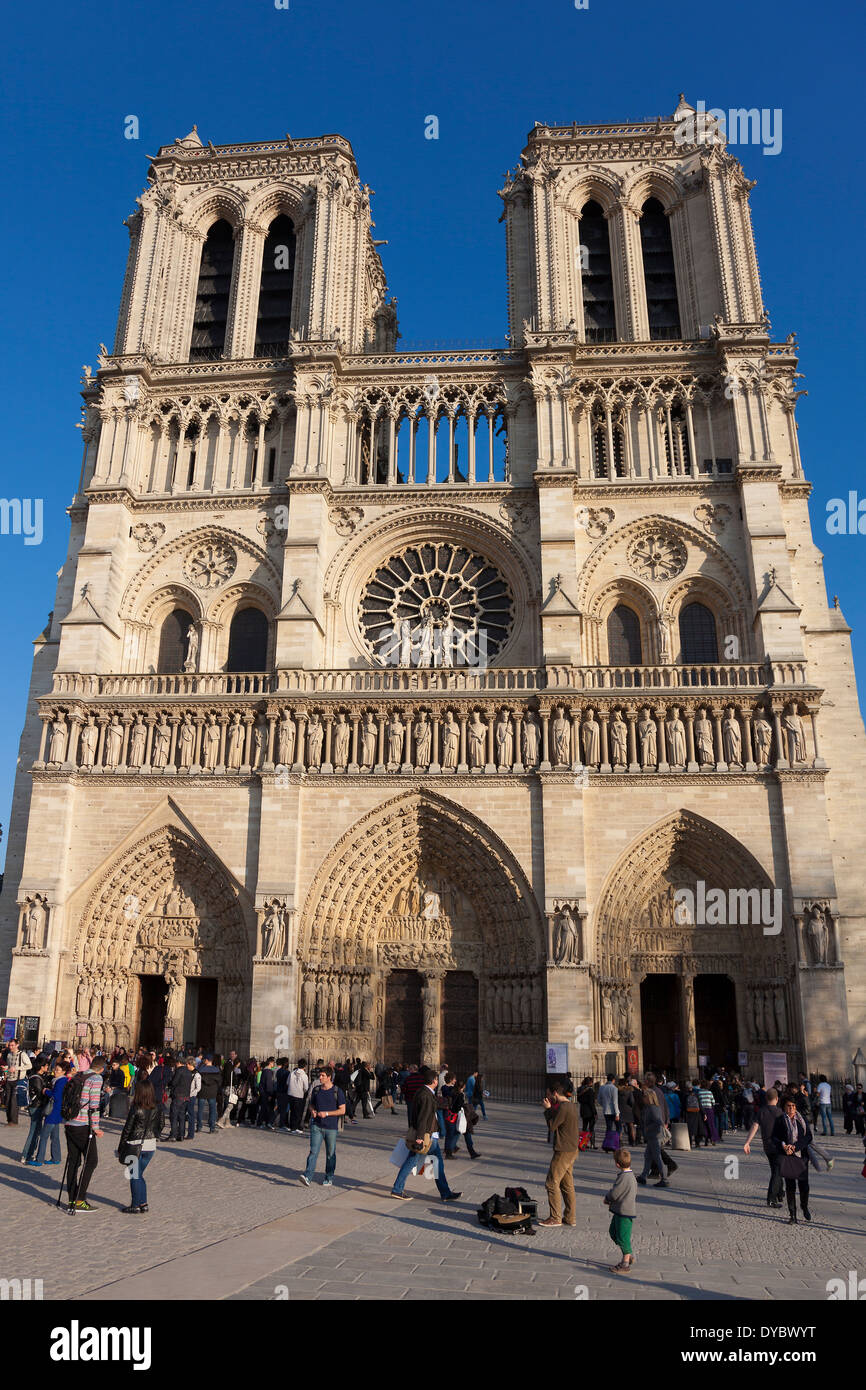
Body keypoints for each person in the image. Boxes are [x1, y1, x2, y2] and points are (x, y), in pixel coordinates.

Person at [390, 1066, 461, 1202]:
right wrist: (419, 1137)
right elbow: (423, 1117)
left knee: (436, 1164)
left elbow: (431, 1109)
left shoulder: (425, 1092)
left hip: (430, 1136)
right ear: (434, 1080)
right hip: (426, 1136)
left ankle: (445, 1193)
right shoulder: (425, 1094)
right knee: (412, 1162)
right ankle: (397, 1189)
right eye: (436, 1079)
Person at [64, 1056, 105, 1211]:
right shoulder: (96, 1078)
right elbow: (94, 1104)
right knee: (91, 1160)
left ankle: (71, 1200)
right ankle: (80, 1199)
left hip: (69, 1123)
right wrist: (96, 1127)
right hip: (83, 1124)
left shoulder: (79, 1075)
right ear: (101, 1068)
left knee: (73, 1161)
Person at [539, 1080, 581, 1226]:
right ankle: (570, 1217)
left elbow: (552, 1126)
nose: (549, 1098)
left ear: (555, 1093)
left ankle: (555, 1217)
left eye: (550, 1095)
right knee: (566, 1184)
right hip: (572, 1148)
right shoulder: (571, 1105)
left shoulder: (563, 1107)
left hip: (563, 1150)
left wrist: (547, 1109)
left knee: (551, 1182)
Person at [117, 1075, 160, 1213]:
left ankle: (135, 1205)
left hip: (135, 1144)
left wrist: (121, 1147)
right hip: (150, 1145)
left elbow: (127, 1129)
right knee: (139, 1174)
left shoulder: (136, 1108)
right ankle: (143, 1203)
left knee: (134, 1175)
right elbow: (161, 1125)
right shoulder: (156, 1107)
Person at [299, 1066, 346, 1188]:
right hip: (317, 1126)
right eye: (320, 1075)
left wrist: (327, 1113)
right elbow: (311, 1105)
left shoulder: (337, 1091)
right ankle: (308, 1176)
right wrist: (313, 1111)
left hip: (331, 1127)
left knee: (330, 1154)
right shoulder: (316, 1090)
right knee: (313, 1151)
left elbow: (342, 1110)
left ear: (329, 1077)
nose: (320, 1077)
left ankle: (329, 1176)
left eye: (323, 1075)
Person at [772, 1096, 814, 1223]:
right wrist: (784, 1146)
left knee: (804, 1186)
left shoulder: (802, 1120)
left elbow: (808, 1137)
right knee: (790, 1187)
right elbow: (774, 1137)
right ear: (784, 1107)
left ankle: (804, 1206)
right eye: (789, 1106)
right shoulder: (780, 1120)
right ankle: (793, 1215)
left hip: (801, 1156)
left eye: (793, 1106)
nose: (791, 1108)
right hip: (787, 1156)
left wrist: (795, 1147)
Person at [743, 1086, 783, 1208]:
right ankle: (771, 1199)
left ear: (766, 1098)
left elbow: (754, 1127)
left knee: (776, 1170)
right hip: (778, 1146)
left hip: (767, 1146)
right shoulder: (780, 1112)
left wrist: (747, 1142)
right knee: (777, 1172)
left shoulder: (761, 1111)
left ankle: (780, 1193)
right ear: (777, 1099)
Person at [634, 1083, 676, 1189]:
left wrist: (650, 1128)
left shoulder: (653, 1108)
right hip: (651, 1135)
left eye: (644, 1096)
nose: (642, 1098)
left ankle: (664, 1179)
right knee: (648, 1156)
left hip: (654, 1135)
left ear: (649, 1097)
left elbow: (659, 1121)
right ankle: (643, 1176)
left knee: (657, 1157)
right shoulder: (649, 1107)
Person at [604, 1147, 638, 1273]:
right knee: (613, 1232)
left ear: (617, 1164)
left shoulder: (625, 1178)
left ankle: (625, 1263)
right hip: (620, 1211)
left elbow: (615, 1193)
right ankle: (628, 1255)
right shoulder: (629, 1175)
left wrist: (607, 1198)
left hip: (625, 1213)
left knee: (623, 1237)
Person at [35, 1060, 68, 1166]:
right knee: (55, 1136)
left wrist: (46, 1091)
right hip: (57, 1112)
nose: (55, 1071)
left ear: (63, 1072)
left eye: (58, 1070)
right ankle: (56, 1158)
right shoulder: (61, 1080)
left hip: (53, 1111)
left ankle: (39, 1159)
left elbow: (56, 1096)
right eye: (55, 1069)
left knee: (44, 1136)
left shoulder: (60, 1081)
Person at [22, 1054, 51, 1164]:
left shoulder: (37, 1076)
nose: (48, 1067)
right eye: (46, 1065)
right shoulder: (36, 1078)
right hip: (36, 1106)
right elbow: (40, 1093)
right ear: (42, 1066)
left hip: (36, 1106)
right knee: (34, 1131)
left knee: (35, 1131)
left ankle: (28, 1154)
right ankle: (26, 1155)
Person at [4, 1040, 31, 1124]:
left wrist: (17, 1068)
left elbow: (29, 1065)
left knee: (13, 1100)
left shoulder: (22, 1054)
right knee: (7, 1100)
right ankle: (9, 1119)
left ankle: (13, 1121)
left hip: (18, 1080)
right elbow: (9, 1066)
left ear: (17, 1045)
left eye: (12, 1045)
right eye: (10, 1045)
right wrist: (6, 1069)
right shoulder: (9, 1055)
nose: (10, 1047)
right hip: (9, 1079)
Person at [168, 1056, 195, 1141]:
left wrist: (170, 1083)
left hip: (178, 1095)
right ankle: (181, 1135)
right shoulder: (189, 1071)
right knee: (182, 1116)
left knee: (174, 1116)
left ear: (179, 1062)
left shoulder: (179, 1071)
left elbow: (174, 1082)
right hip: (186, 1096)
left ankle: (173, 1135)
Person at [196, 1054, 221, 1133]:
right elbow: (219, 1082)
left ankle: (199, 1127)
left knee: (200, 1110)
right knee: (212, 1110)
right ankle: (212, 1128)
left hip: (202, 1091)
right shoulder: (216, 1070)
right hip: (212, 1092)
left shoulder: (200, 1069)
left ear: (206, 1060)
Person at [288, 1059, 309, 1133]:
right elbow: (306, 1087)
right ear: (305, 1066)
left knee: (292, 1111)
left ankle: (291, 1126)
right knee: (298, 1112)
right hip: (299, 1095)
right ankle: (295, 1127)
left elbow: (287, 1083)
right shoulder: (304, 1075)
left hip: (291, 1094)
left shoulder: (292, 1073)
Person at [577, 1076, 597, 1148]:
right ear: (590, 1082)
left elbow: (578, 1100)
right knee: (591, 1128)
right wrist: (595, 1113)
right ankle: (592, 1144)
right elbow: (591, 1103)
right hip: (590, 1111)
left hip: (583, 1110)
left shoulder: (579, 1089)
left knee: (584, 1128)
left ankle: (583, 1143)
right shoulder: (590, 1090)